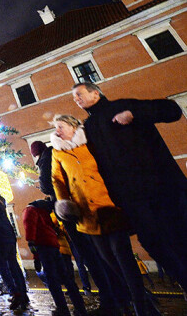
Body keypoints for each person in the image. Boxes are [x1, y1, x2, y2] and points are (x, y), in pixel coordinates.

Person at [72, 82, 187, 292]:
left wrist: (134, 113)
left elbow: (172, 110)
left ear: (95, 93)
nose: (76, 99)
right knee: (153, 243)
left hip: (163, 189)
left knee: (179, 237)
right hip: (132, 200)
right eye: (74, 97)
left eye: (79, 94)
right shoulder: (88, 127)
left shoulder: (123, 106)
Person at [51, 113, 151, 316]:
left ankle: (142, 305)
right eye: (56, 127)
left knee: (124, 259)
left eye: (60, 126)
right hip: (87, 216)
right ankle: (142, 301)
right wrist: (64, 203)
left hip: (110, 208)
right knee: (110, 262)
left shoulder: (91, 142)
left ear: (73, 126)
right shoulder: (57, 153)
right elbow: (57, 179)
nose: (57, 131)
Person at [32, 138, 123, 315]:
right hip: (86, 209)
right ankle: (120, 294)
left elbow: (46, 185)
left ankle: (110, 300)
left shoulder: (46, 160)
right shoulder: (63, 153)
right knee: (102, 254)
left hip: (71, 213)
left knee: (90, 257)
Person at [23, 198, 88, 316]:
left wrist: (36, 257)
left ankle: (62, 309)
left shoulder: (29, 210)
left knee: (52, 280)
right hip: (54, 245)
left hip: (43, 247)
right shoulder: (44, 211)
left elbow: (30, 233)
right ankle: (80, 307)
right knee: (67, 279)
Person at [0, 186, 29, 310]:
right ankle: (23, 293)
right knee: (14, 266)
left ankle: (15, 292)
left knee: (1, 267)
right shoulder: (1, 205)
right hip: (10, 236)